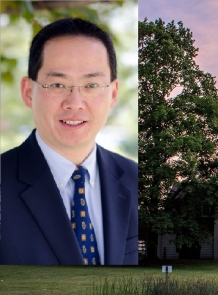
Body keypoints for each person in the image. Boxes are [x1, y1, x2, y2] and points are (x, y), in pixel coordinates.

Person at [0, 18, 138, 265]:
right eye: (57, 84)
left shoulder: (137, 179)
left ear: (113, 94)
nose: (74, 102)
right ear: (28, 92)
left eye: (91, 85)